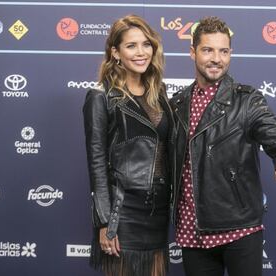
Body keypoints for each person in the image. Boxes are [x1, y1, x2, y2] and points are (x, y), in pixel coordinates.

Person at [170, 16, 276, 276]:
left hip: (239, 226)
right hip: (191, 228)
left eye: (224, 51)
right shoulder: (178, 103)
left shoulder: (247, 100)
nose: (216, 59)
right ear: (192, 52)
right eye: (208, 50)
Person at [83, 14, 174, 276]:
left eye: (146, 44)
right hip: (122, 214)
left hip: (156, 212)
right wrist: (104, 223)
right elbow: (97, 164)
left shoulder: (160, 94)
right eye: (131, 46)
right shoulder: (101, 97)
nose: (141, 52)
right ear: (116, 52)